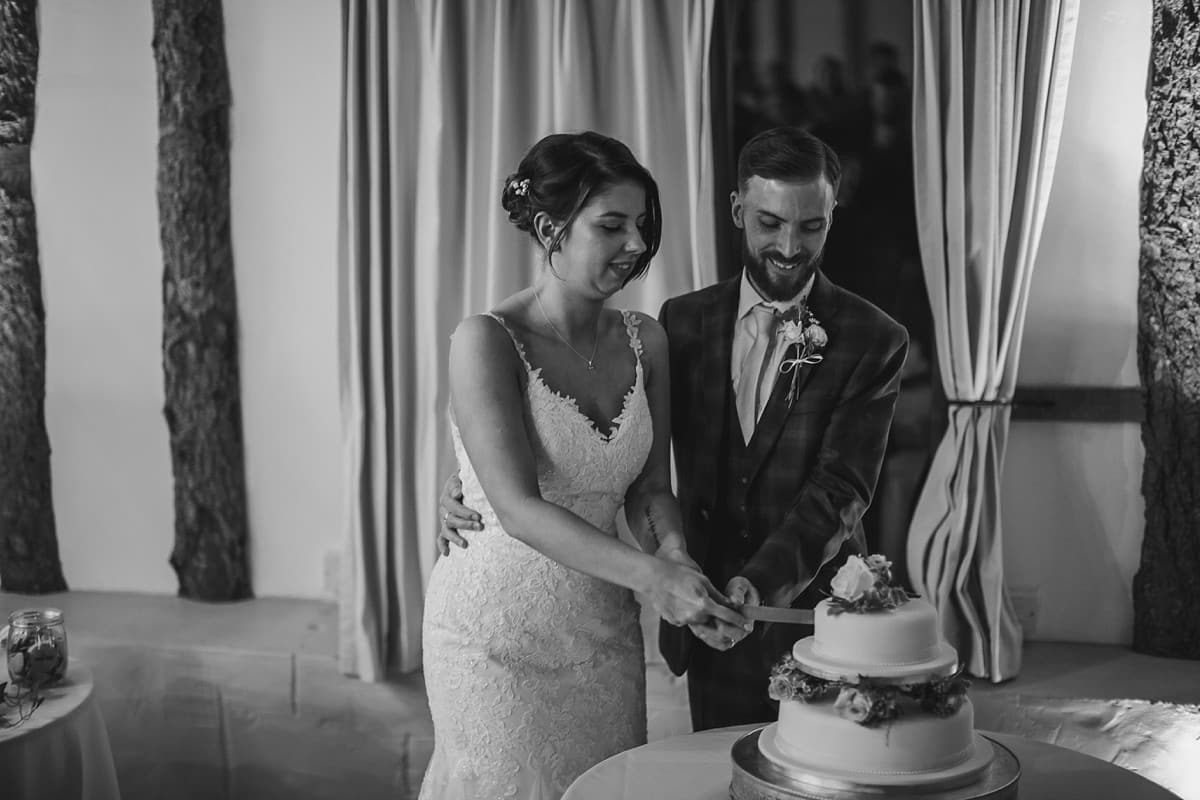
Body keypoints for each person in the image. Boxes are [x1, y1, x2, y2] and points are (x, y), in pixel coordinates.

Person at [441, 127, 907, 732]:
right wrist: (470, 478)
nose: (790, 247)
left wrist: (684, 561)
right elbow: (529, 475)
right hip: (551, 623)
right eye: (770, 223)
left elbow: (837, 490)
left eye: (811, 226)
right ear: (739, 211)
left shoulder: (869, 338)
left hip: (796, 613)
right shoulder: (683, 323)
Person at [419, 131, 749, 800]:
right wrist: (654, 575)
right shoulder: (486, 340)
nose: (635, 243)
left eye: (641, 225)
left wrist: (677, 555)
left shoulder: (645, 339)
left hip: (602, 632)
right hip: (493, 638)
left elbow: (651, 487)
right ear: (550, 229)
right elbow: (515, 507)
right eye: (612, 225)